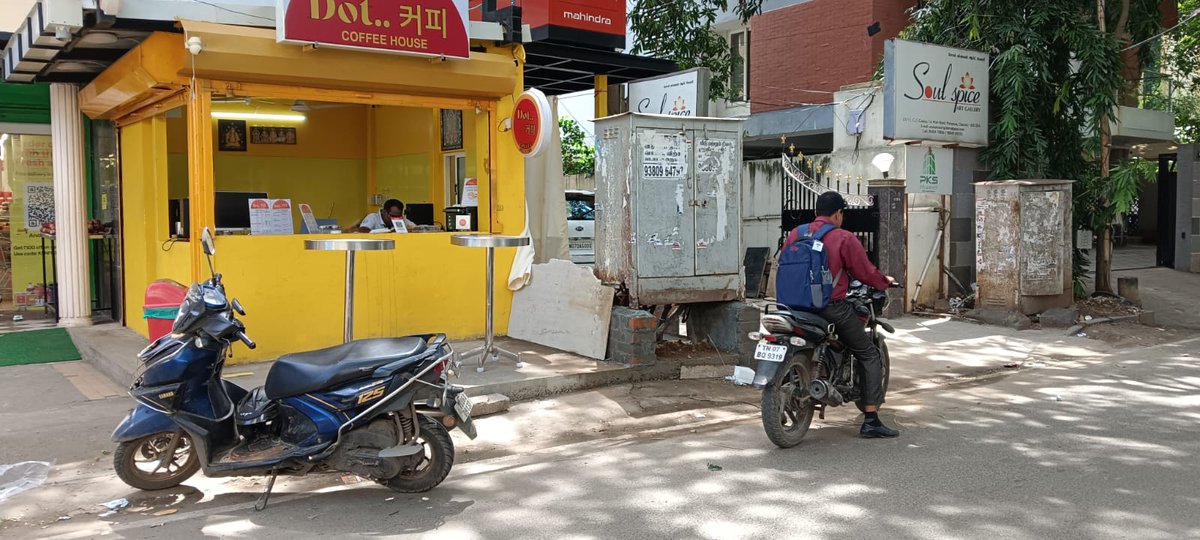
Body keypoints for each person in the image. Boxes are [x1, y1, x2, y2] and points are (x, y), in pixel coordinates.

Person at [785, 191, 899, 438]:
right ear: (838, 214)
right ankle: (871, 420)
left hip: (793, 307)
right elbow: (864, 272)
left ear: (816, 212)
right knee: (868, 353)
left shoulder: (796, 233)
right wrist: (884, 281)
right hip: (829, 307)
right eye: (842, 214)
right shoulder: (843, 238)